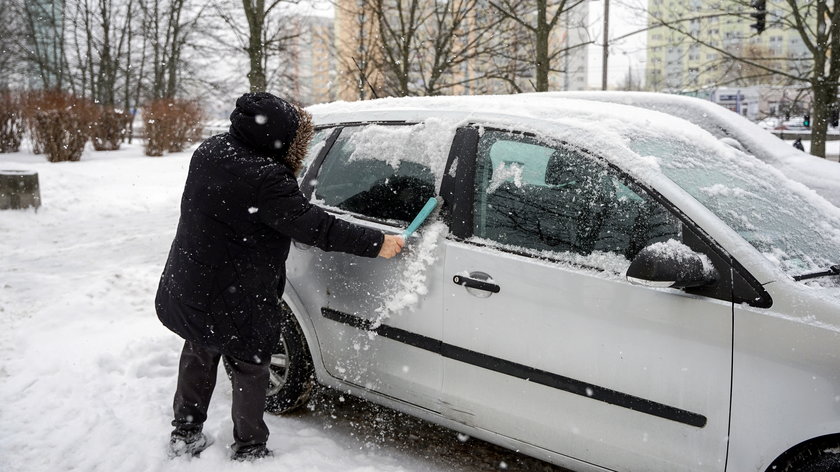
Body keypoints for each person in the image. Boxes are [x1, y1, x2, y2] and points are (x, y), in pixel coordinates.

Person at [155, 92, 404, 461]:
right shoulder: (265, 178)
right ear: (277, 136)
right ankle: (250, 446)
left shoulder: (211, 151)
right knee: (251, 364)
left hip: (193, 277)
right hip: (236, 291)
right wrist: (376, 242)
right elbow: (314, 226)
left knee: (199, 348)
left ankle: (186, 432)